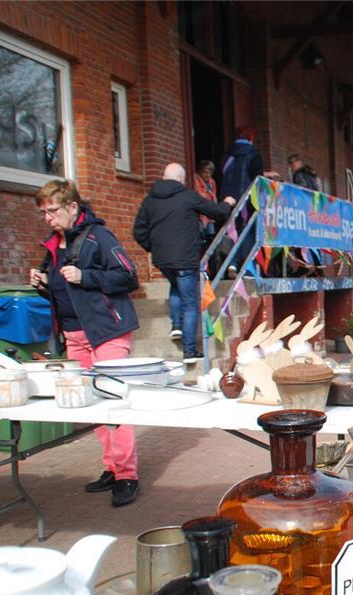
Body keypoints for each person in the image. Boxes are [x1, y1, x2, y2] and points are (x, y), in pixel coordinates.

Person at [29, 179, 143, 507]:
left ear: (72, 207)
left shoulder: (98, 237)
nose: (48, 218)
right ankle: (112, 467)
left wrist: (86, 277)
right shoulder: (54, 244)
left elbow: (128, 276)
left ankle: (127, 475)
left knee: (115, 403)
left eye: (53, 211)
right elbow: (63, 290)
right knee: (92, 403)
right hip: (75, 335)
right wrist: (42, 282)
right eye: (43, 213)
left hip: (107, 330)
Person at [132, 164, 234, 362]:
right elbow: (217, 212)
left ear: (164, 177)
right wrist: (227, 203)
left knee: (175, 286)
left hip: (163, 259)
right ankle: (189, 350)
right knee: (190, 301)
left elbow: (138, 231)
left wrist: (153, 248)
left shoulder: (150, 201)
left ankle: (176, 326)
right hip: (185, 257)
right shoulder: (188, 196)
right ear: (181, 179)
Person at [220, 127, 264, 277]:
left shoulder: (227, 155)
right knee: (248, 232)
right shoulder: (254, 154)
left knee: (232, 231)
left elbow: (224, 174)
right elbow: (258, 179)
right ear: (251, 139)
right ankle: (247, 268)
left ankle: (232, 263)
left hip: (228, 200)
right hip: (248, 199)